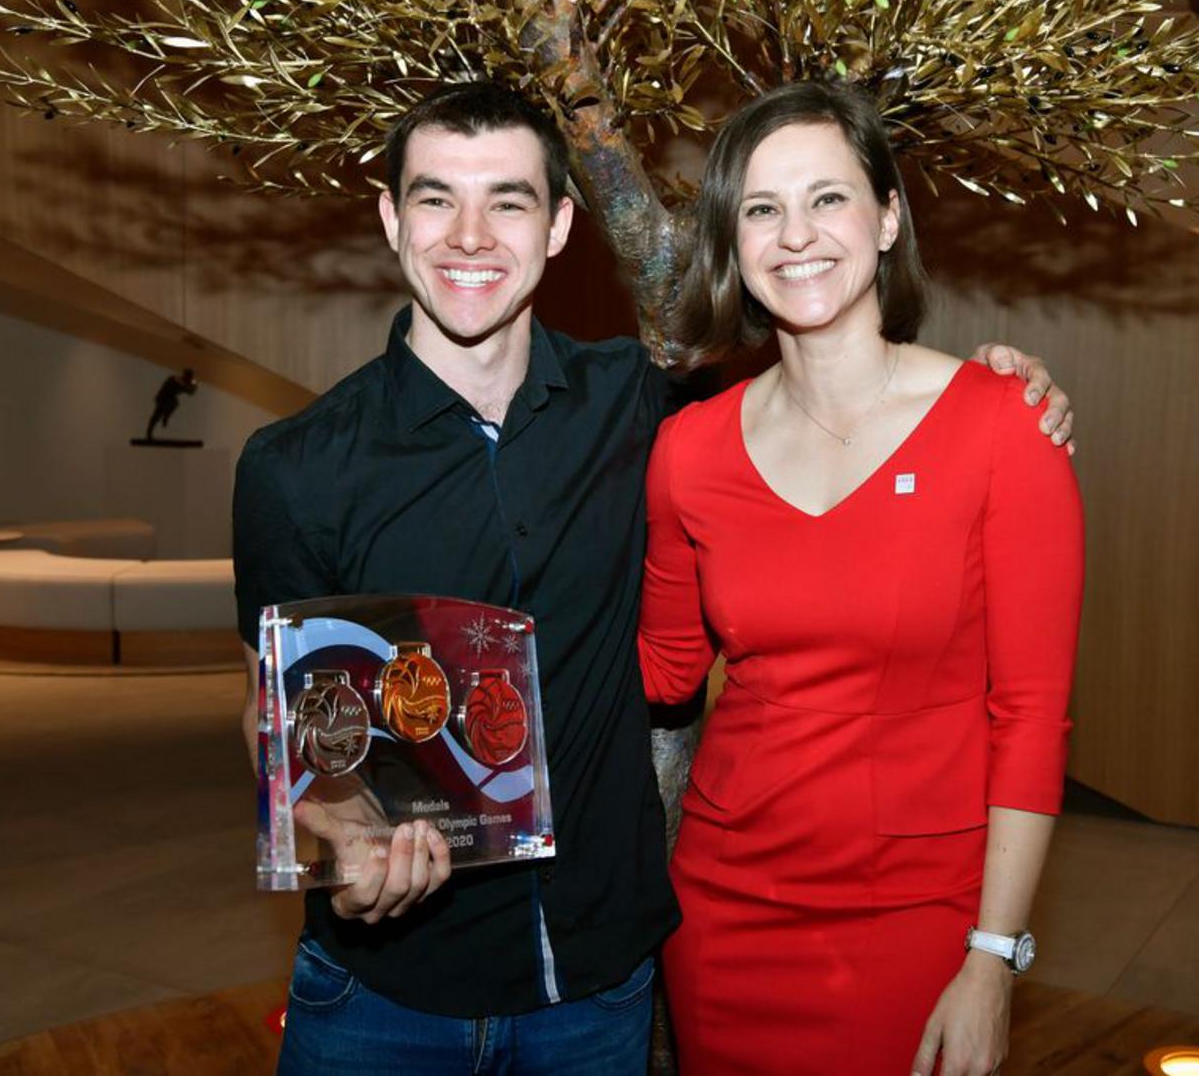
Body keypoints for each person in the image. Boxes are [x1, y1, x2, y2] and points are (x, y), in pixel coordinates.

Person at [234, 81, 1074, 1075]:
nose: (470, 235)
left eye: (507, 200)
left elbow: (845, 420)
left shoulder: (640, 408)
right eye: (435, 198)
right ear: (389, 218)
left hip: (596, 987)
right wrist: (335, 831)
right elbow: (278, 717)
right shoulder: (293, 469)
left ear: (558, 226)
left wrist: (1004, 387)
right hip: (385, 993)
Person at [638, 80, 1085, 1076]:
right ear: (732, 242)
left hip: (924, 916)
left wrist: (992, 958)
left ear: (886, 218)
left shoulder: (1002, 427)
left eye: (826, 198)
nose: (795, 235)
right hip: (721, 910)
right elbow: (659, 671)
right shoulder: (688, 451)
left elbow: (1030, 717)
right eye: (761, 208)